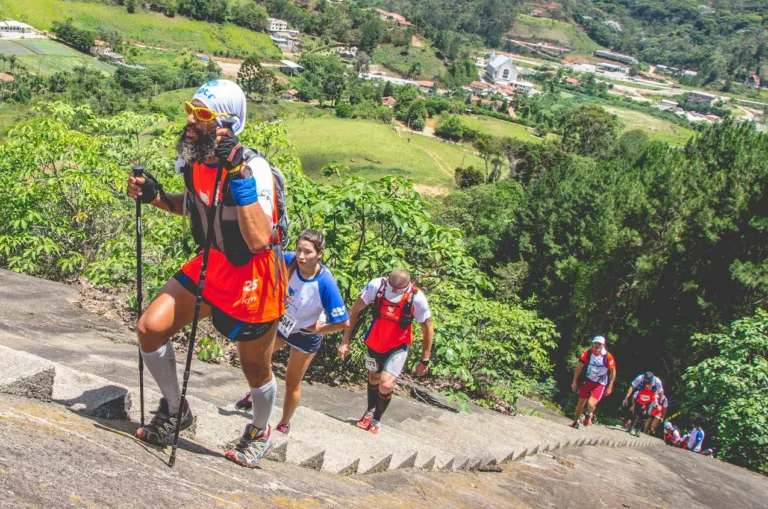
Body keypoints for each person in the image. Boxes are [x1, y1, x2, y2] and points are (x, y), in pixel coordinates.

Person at [127, 79, 286, 469]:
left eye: (201, 115)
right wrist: (156, 197)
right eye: (190, 110)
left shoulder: (255, 168)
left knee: (254, 367)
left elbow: (258, 237)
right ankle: (177, 409)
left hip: (254, 274)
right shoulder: (194, 161)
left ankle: (260, 429)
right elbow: (198, 208)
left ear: (227, 124)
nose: (190, 121)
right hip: (213, 262)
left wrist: (239, 174)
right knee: (150, 328)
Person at [234, 229, 350, 434]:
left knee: (292, 381)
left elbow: (343, 322)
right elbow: (264, 265)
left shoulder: (326, 283)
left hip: (306, 336)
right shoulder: (289, 261)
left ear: (320, 254)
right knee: (260, 360)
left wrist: (319, 329)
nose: (302, 256)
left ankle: (284, 422)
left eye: (308, 252)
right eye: (299, 250)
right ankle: (256, 396)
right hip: (283, 325)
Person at [338, 270, 433, 435]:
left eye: (398, 291)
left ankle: (376, 419)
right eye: (392, 290)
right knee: (373, 377)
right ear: (387, 281)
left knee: (386, 383)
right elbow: (355, 310)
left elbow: (427, 328)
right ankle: (369, 411)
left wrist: (424, 358)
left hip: (398, 345)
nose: (394, 293)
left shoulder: (417, 298)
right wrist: (345, 341)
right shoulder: (376, 286)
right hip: (374, 341)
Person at [570, 336, 616, 429]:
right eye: (595, 343)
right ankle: (576, 421)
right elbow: (579, 366)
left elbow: (613, 371)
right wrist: (574, 381)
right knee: (581, 402)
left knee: (591, 404)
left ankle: (588, 413)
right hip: (588, 380)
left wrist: (610, 385)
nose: (596, 345)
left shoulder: (607, 356)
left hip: (600, 383)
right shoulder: (588, 353)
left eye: (599, 343)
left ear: (603, 345)